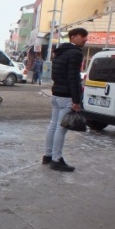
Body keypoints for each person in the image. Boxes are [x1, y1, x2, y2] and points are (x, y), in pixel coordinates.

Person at [43, 28, 88, 172]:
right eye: (83, 37)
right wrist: (77, 100)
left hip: (56, 94)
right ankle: (56, 160)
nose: (85, 39)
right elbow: (73, 78)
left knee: (53, 125)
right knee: (61, 129)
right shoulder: (75, 53)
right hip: (67, 96)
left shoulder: (60, 52)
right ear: (73, 37)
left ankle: (48, 155)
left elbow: (56, 75)